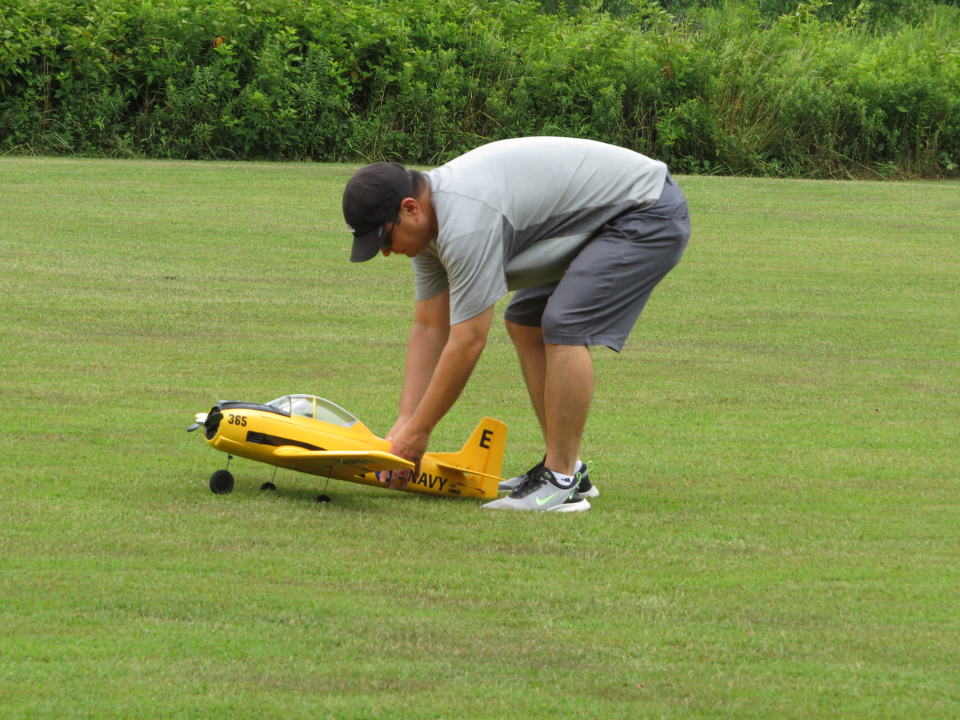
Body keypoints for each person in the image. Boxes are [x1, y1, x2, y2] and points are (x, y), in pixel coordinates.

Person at [342, 136, 690, 512]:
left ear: (410, 208)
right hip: (609, 215)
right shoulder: (429, 231)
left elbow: (468, 341)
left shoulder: (465, 222)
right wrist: (406, 422)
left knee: (563, 323)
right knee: (527, 321)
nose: (386, 251)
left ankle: (560, 482)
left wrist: (420, 432)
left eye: (385, 238)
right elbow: (429, 327)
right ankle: (567, 466)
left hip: (647, 211)